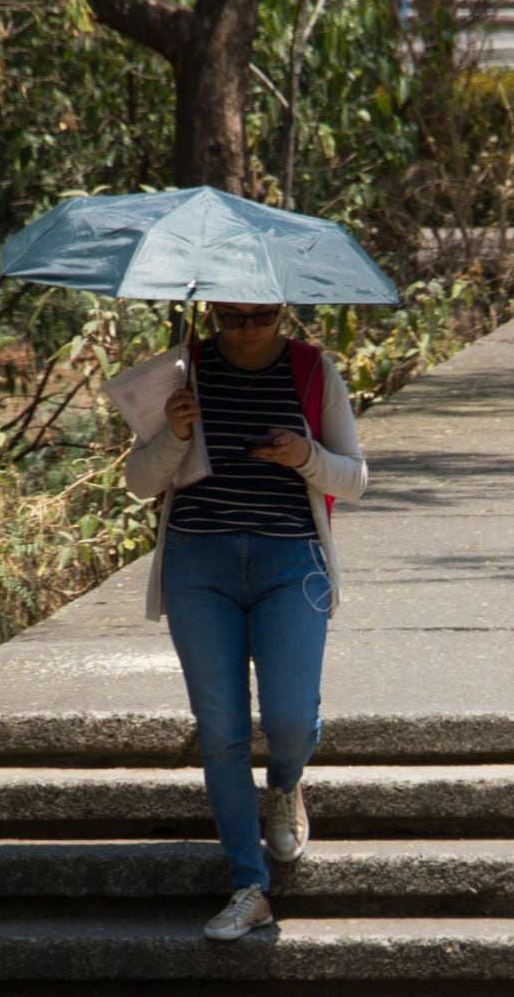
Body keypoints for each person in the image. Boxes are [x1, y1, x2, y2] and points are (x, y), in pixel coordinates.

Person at [124, 301, 367, 942]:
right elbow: (137, 482)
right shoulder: (181, 372)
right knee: (222, 730)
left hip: (292, 562)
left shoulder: (314, 370)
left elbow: (356, 476)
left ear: (281, 313)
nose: (248, 330)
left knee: (290, 718)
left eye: (261, 316)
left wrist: (304, 455)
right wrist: (172, 435)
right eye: (231, 319)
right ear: (211, 315)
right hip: (197, 565)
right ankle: (247, 884)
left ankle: (284, 784)